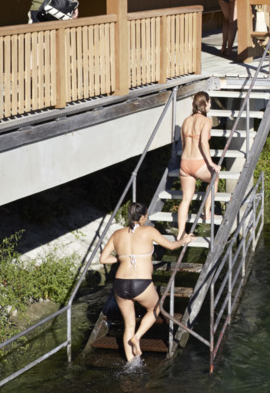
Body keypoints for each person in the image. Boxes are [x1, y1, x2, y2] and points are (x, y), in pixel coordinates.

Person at [100, 202, 193, 362]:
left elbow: (103, 259)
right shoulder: (149, 231)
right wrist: (185, 240)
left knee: (129, 324)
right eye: (146, 215)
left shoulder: (117, 234)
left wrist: (122, 258)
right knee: (155, 309)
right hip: (140, 283)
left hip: (120, 284)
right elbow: (171, 246)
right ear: (142, 217)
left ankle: (131, 364)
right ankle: (137, 337)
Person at [176, 92, 220, 241]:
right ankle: (207, 212)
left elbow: (183, 143)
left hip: (185, 163)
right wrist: (211, 163)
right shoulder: (207, 121)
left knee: (185, 199)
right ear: (205, 103)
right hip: (198, 162)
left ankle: (181, 234)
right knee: (214, 178)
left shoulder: (186, 121)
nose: (210, 105)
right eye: (210, 102)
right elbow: (203, 142)